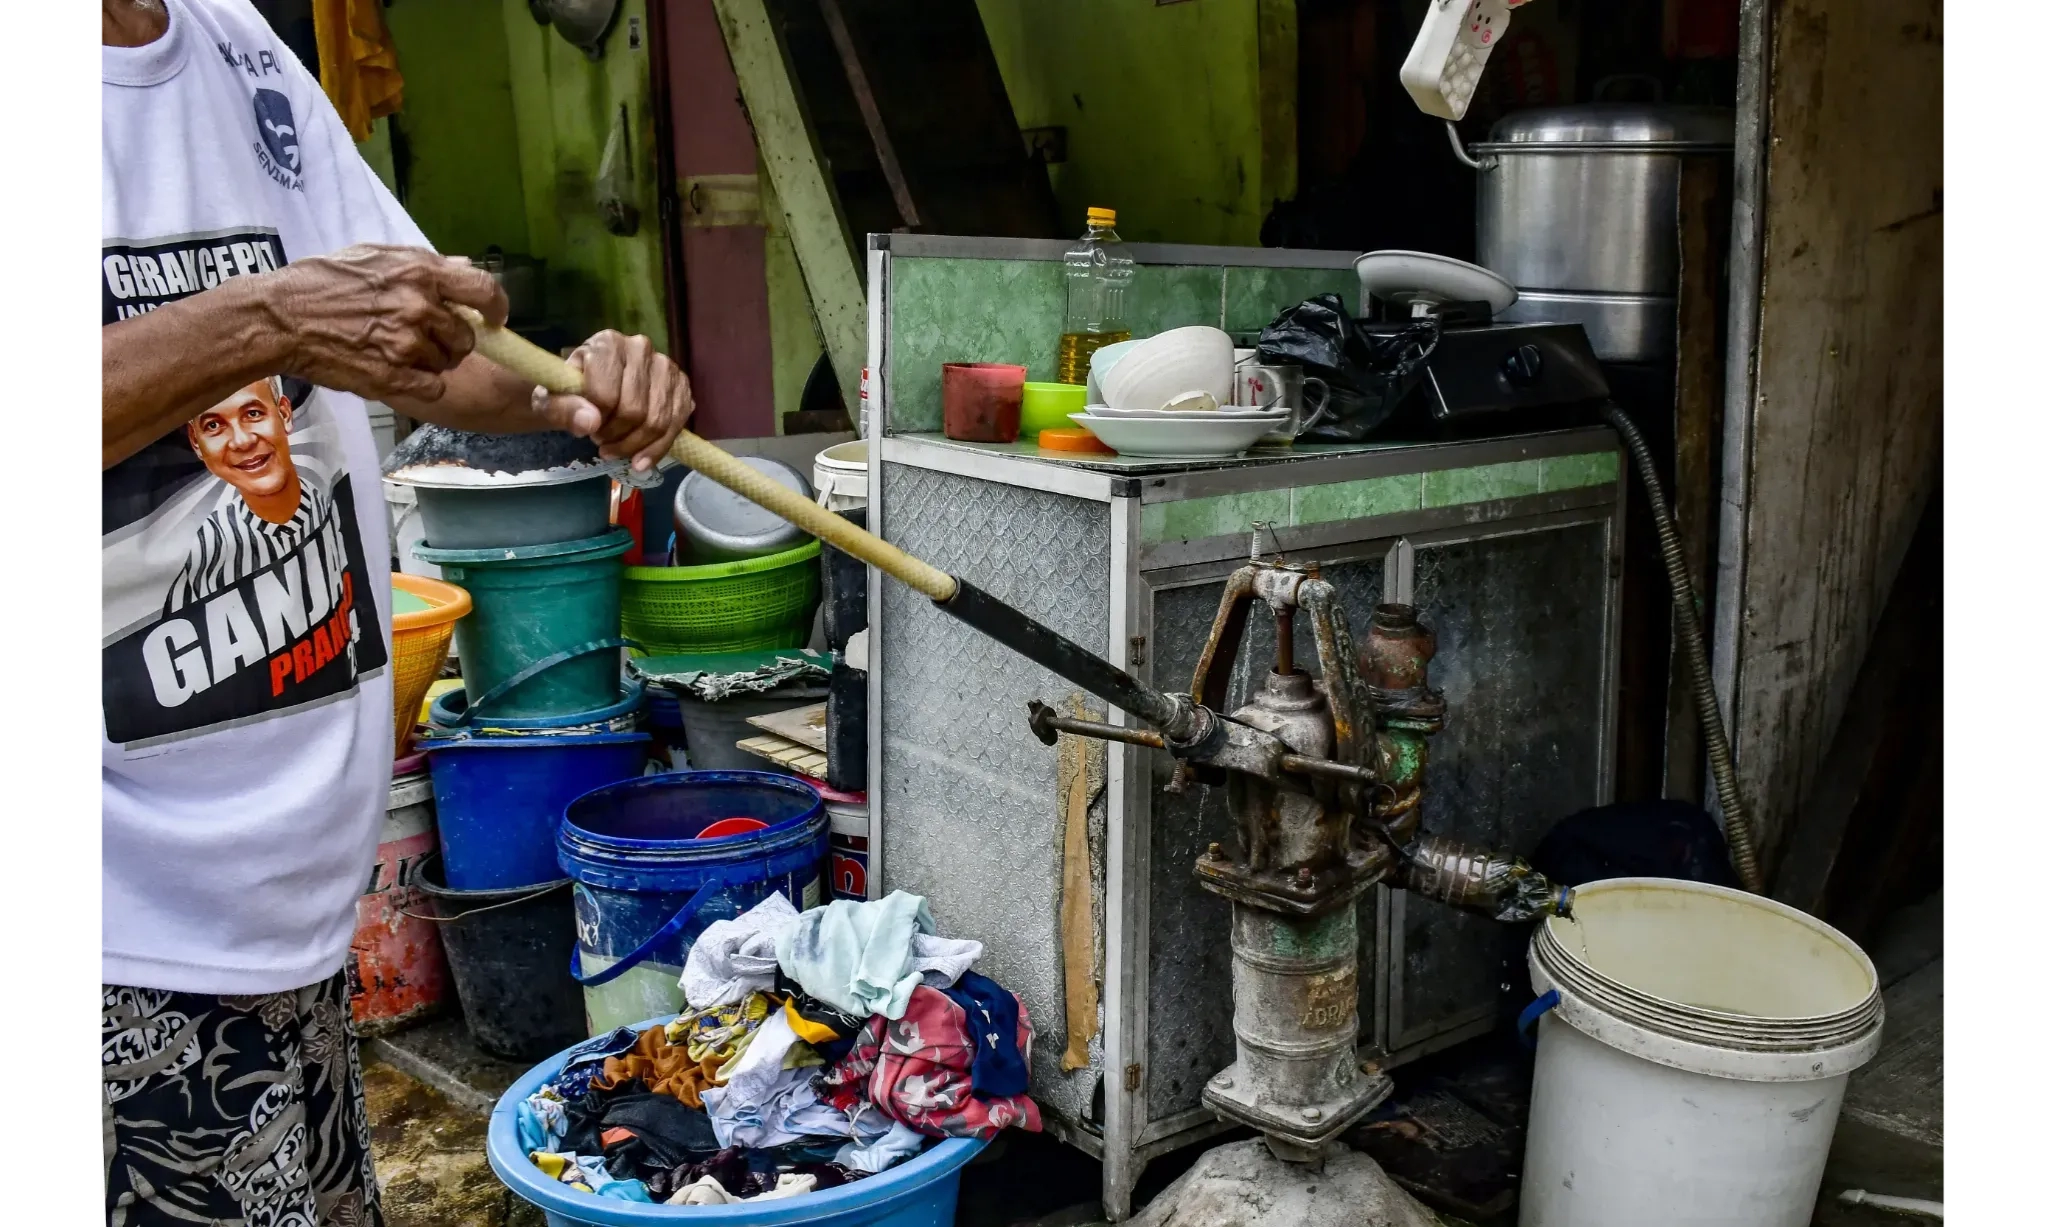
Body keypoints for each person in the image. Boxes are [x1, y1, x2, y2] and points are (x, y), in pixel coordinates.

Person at [96, 2, 696, 1223]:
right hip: (128, 916)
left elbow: (425, 346)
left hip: (275, 892)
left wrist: (574, 387)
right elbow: (304, 315)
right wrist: (265, 318)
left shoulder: (231, 41)